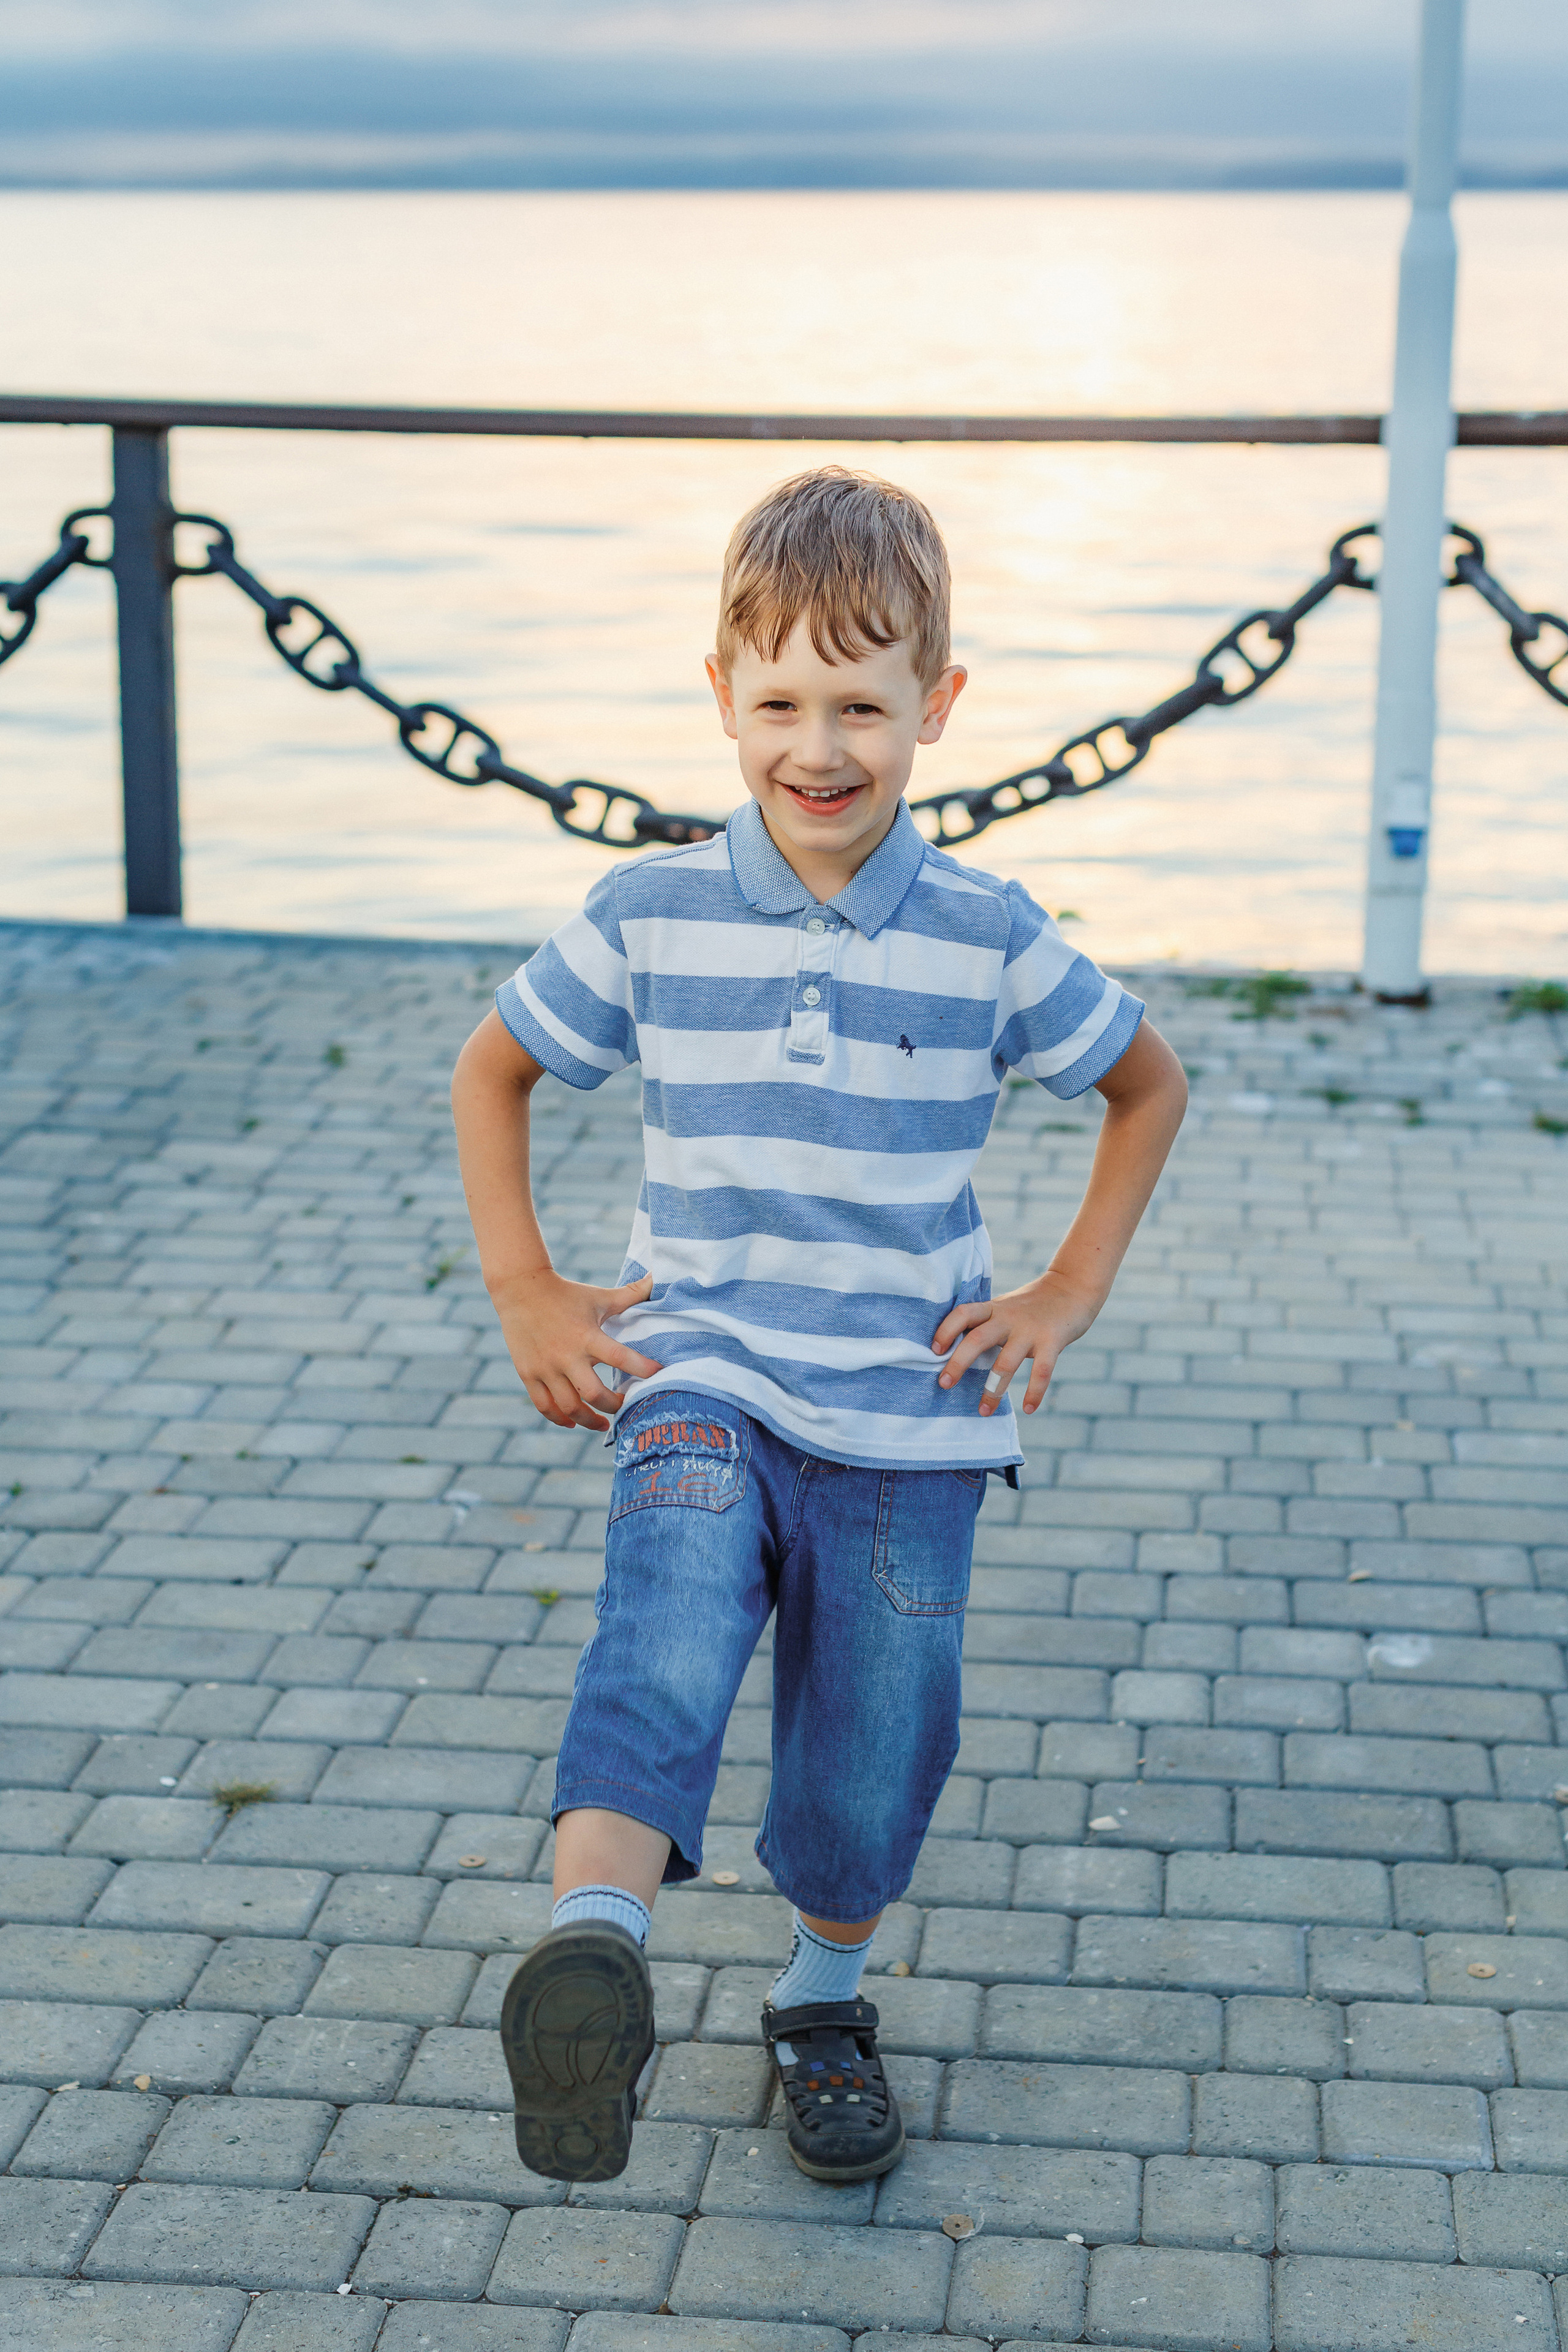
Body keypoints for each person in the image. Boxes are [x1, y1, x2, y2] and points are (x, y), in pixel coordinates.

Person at [450, 465, 1188, 2188]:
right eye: (779, 701)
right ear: (723, 698)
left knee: (871, 1760)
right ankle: (596, 1954)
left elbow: (1147, 1084)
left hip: (909, 1422)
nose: (820, 747)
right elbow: (494, 1068)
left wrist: (1065, 1292)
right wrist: (528, 1290)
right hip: (696, 1366)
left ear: (938, 703)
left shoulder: (990, 937)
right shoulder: (652, 914)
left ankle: (821, 2003)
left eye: (862, 703)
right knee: (664, 1626)